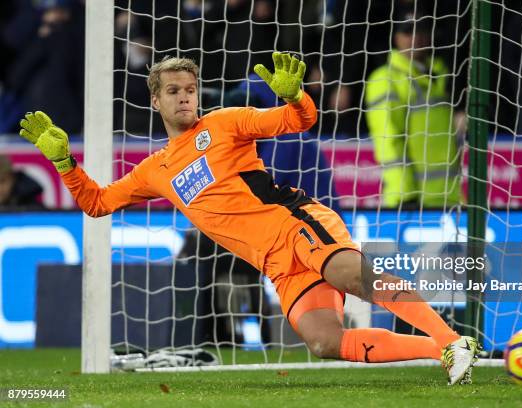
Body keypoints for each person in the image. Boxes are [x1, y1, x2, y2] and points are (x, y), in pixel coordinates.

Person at [19, 52, 479, 384]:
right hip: (276, 263)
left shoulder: (225, 122)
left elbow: (297, 121)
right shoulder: (154, 170)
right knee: (322, 342)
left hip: (296, 222)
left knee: (349, 274)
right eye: (174, 91)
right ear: (155, 101)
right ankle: (444, 350)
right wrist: (64, 164)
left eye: (191, 90)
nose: (185, 98)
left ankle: (451, 337)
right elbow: (97, 203)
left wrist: (296, 97)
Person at [365, 15, 462, 208]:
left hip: (449, 197)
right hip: (411, 202)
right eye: (407, 31)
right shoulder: (384, 79)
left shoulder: (444, 75)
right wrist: (405, 193)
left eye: (420, 30)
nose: (415, 37)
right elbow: (388, 140)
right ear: (396, 37)